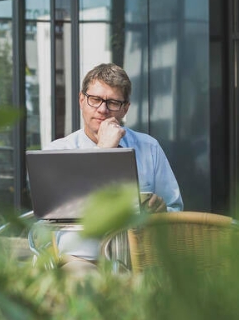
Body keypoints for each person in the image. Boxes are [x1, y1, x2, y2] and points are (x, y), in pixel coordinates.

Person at [42, 63, 182, 268]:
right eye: (95, 99)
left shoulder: (149, 147)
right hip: (82, 260)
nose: (102, 109)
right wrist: (104, 148)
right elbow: (49, 222)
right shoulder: (57, 152)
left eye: (113, 102)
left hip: (142, 262)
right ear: (82, 100)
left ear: (125, 108)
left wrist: (162, 211)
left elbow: (176, 210)